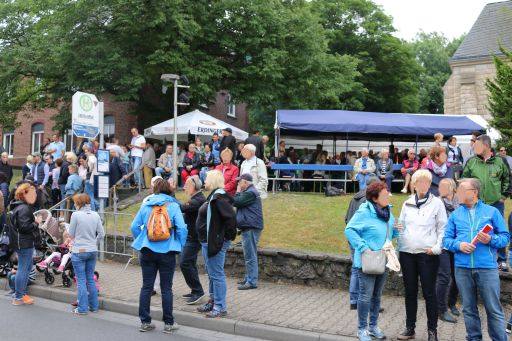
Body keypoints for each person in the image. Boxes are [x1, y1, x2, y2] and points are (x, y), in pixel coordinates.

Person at [443, 178, 510, 341]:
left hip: (487, 268)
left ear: (474, 192)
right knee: (468, 309)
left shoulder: (492, 212)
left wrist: (491, 240)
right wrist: (459, 245)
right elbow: (446, 240)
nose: (457, 193)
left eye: (461, 190)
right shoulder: (455, 214)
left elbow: (505, 237)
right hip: (462, 268)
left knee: (493, 309)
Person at [130, 179, 187, 332]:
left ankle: (145, 322)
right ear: (169, 190)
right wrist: (179, 244)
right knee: (166, 288)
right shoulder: (173, 206)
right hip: (167, 251)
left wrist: (141, 239)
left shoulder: (146, 204)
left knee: (147, 287)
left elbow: (134, 226)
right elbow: (181, 228)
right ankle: (169, 323)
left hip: (147, 251)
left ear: (155, 189)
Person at [396, 169, 447, 341]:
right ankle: (410, 328)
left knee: (429, 293)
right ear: (414, 184)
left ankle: (432, 331)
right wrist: (399, 241)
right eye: (420, 182)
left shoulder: (437, 203)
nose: (423, 185)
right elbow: (401, 226)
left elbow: (443, 229)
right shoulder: (407, 203)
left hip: (427, 255)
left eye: (427, 182)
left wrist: (436, 249)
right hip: (407, 254)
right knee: (410, 292)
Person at [345, 181, 399, 341]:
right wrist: (363, 247)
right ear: (375, 198)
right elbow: (349, 229)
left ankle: (373, 326)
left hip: (383, 260)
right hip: (367, 261)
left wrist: (396, 230)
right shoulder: (364, 211)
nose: (388, 196)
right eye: (384, 194)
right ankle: (362, 329)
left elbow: (390, 234)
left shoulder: (388, 212)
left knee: (377, 296)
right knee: (365, 296)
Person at [463, 134, 510, 271]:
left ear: (487, 146)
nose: (474, 147)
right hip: (476, 204)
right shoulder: (471, 161)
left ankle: (501, 260)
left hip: (496, 203)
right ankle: (478, 257)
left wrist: (503, 195)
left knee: (498, 230)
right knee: (475, 229)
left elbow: (507, 178)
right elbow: (464, 179)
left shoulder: (500, 161)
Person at [196, 170, 237, 318]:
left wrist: (226, 238)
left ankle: (220, 306)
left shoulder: (219, 198)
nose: (204, 181)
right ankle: (213, 302)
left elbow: (231, 219)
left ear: (212, 181)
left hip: (215, 243)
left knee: (217, 275)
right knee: (212, 275)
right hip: (209, 242)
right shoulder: (214, 196)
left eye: (206, 179)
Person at [345, 176, 380, 310]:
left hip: (353, 237)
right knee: (362, 270)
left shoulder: (355, 197)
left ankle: (354, 300)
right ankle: (364, 300)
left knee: (355, 268)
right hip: (361, 239)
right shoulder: (367, 201)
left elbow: (347, 218)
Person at [68, 193, 104, 315]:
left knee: (81, 280)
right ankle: (94, 306)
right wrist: (94, 243)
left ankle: (82, 308)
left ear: (79, 203)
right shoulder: (95, 214)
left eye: (75, 202)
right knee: (90, 279)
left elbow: (71, 234)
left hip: (79, 251)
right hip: (92, 250)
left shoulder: (75, 215)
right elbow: (102, 234)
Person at [8, 183, 42, 306]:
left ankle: (20, 294)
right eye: (32, 193)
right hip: (24, 242)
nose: (35, 196)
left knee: (26, 268)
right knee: (23, 269)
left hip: (20, 242)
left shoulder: (16, 206)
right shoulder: (24, 208)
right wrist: (37, 223)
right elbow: (24, 227)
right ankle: (18, 297)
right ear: (24, 195)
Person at [233, 173, 264, 290]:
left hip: (251, 227)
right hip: (249, 226)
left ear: (245, 182)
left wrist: (237, 190)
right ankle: (249, 278)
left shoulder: (250, 193)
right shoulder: (249, 192)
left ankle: (251, 281)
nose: (238, 183)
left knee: (250, 255)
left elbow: (235, 201)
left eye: (239, 182)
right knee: (248, 254)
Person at [436, 178, 460, 324]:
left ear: (452, 188)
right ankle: (441, 309)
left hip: (457, 244)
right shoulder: (437, 203)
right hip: (443, 243)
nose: (441, 188)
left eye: (444, 186)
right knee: (444, 275)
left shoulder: (460, 203)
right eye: (440, 186)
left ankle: (452, 303)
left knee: (457, 275)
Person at [180, 175, 206, 304]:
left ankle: (198, 291)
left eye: (187, 184)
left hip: (194, 238)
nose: (184, 187)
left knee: (184, 263)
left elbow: (181, 208)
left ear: (194, 186)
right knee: (190, 263)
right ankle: (195, 290)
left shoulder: (198, 200)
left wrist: (169, 197)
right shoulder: (196, 198)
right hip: (191, 237)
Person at [83, 145, 98, 211]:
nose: (85, 153)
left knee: (89, 197)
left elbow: (91, 163)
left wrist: (89, 168)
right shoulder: (92, 157)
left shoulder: (91, 157)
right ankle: (97, 206)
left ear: (90, 152)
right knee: (86, 196)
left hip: (90, 179)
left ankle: (94, 210)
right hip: (90, 178)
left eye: (86, 152)